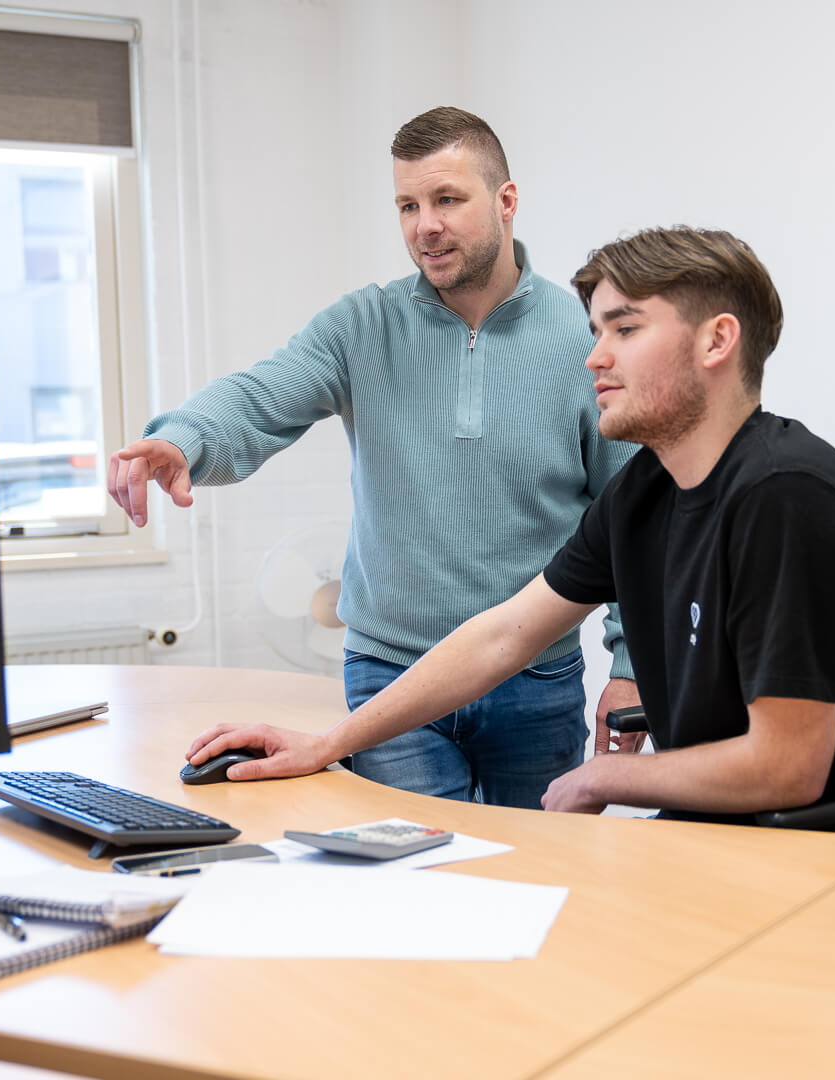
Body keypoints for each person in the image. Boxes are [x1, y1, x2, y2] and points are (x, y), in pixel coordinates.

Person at [186, 225, 835, 826]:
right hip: (721, 841)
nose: (594, 356)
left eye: (625, 328)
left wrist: (608, 776)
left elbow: (786, 766)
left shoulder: (785, 496)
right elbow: (506, 632)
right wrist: (327, 743)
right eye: (595, 329)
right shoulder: (645, 491)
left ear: (716, 341)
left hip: (830, 865)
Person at [108, 107, 640, 810]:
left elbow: (635, 514)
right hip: (391, 676)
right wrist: (184, 438)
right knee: (413, 885)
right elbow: (260, 395)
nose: (426, 225)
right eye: (408, 205)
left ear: (506, 201)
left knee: (535, 878)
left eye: (448, 199)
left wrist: (630, 664)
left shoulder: (585, 335)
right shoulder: (364, 325)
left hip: (534, 680)